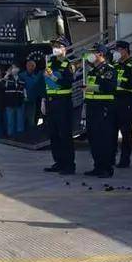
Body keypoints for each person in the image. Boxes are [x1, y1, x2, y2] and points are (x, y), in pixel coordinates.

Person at [42, 36, 76, 175]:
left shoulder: (68, 64)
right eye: (54, 46)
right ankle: (58, 162)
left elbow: (67, 83)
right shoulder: (50, 62)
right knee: (53, 134)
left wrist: (54, 78)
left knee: (65, 135)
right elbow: (45, 83)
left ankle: (69, 165)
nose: (55, 48)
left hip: (63, 101)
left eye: (58, 46)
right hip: (51, 101)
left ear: (64, 48)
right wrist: (43, 100)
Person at [83, 43, 117, 178]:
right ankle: (97, 166)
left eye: (93, 52)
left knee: (104, 140)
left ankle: (106, 168)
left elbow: (108, 87)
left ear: (101, 54)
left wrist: (90, 88)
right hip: (92, 108)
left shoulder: (109, 70)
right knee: (93, 140)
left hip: (103, 109)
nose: (90, 55)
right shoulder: (93, 71)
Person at [111, 40, 132, 168]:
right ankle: (110, 158)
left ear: (125, 50)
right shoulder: (115, 65)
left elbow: (131, 84)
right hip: (114, 101)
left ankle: (125, 160)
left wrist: (116, 83)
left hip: (125, 101)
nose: (116, 53)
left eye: (118, 50)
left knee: (126, 132)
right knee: (111, 132)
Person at [19, 59, 44, 130]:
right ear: (26, 66)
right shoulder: (21, 75)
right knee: (21, 119)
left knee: (31, 120)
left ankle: (31, 135)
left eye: (33, 66)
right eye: (29, 65)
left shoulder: (37, 76)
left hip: (32, 101)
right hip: (22, 101)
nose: (31, 67)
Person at [4, 64, 25, 136]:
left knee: (20, 121)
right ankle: (10, 137)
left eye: (16, 68)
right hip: (10, 103)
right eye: (13, 68)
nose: (14, 69)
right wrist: (7, 74)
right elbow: (3, 83)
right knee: (10, 121)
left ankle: (20, 137)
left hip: (19, 102)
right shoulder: (7, 78)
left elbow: (23, 90)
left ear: (19, 69)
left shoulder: (21, 79)